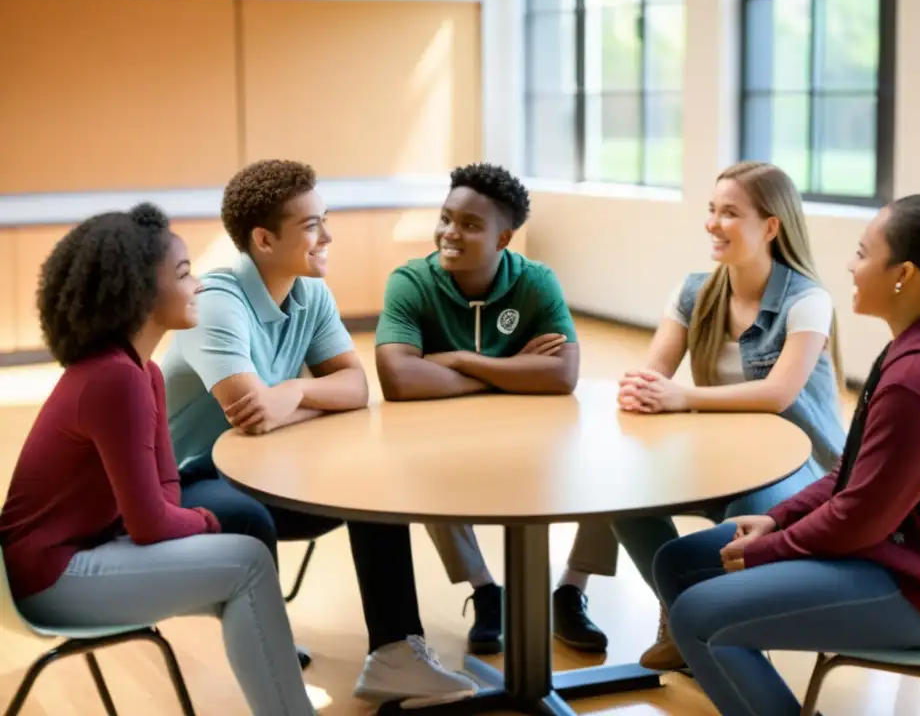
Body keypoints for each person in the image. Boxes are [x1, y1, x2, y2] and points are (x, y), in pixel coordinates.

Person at [652, 193, 920, 716]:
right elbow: (855, 472)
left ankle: (733, 658)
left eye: (863, 252)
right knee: (681, 563)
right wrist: (778, 519)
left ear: (905, 274)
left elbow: (859, 519)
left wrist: (768, 548)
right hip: (905, 549)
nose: (850, 265)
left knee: (694, 613)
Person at [161, 160, 476, 707]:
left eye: (324, 220)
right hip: (186, 484)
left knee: (372, 480)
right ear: (263, 239)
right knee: (249, 515)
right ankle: (271, 659)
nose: (327, 236)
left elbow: (355, 388)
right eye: (312, 226)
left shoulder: (309, 291)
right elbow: (248, 414)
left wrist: (293, 394)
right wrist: (290, 402)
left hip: (263, 467)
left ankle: (396, 654)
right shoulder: (216, 302)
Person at [0, 204, 318, 716]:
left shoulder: (140, 372)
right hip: (48, 580)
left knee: (242, 574)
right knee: (250, 562)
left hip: (79, 556)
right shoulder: (114, 378)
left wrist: (187, 518)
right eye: (185, 273)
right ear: (140, 291)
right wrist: (209, 520)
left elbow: (164, 493)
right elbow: (150, 522)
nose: (199, 287)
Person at [614, 161, 847, 671]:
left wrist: (683, 397)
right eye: (711, 211)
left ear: (770, 226)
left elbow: (778, 393)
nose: (712, 224)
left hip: (800, 467)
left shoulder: (808, 299)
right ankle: (684, 618)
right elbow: (656, 372)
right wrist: (642, 386)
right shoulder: (694, 291)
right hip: (720, 455)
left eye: (729, 213)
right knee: (622, 497)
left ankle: (713, 628)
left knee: (745, 511)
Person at [374, 162, 615, 654]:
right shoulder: (410, 282)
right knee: (420, 467)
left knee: (611, 465)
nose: (450, 233)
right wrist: (506, 371)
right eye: (446, 218)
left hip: (535, 437)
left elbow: (563, 375)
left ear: (504, 239)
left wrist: (460, 360)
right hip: (445, 440)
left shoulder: (535, 281)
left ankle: (571, 591)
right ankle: (486, 590)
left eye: (470, 225)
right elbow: (398, 379)